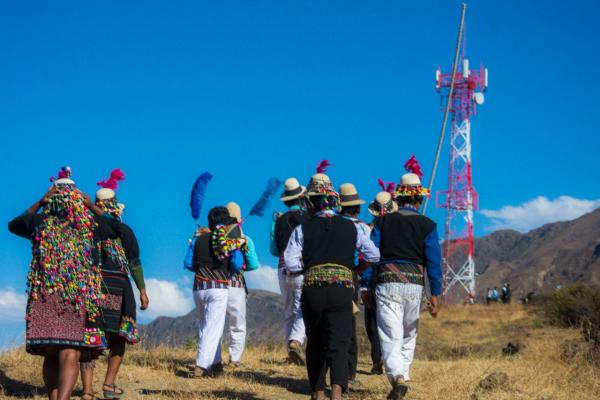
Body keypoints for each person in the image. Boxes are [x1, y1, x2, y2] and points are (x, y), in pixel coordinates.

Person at [8, 167, 121, 400]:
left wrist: (40, 201)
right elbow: (116, 227)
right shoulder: (89, 225)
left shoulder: (40, 222)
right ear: (76, 199)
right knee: (69, 350)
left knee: (51, 351)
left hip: (45, 293)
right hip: (75, 296)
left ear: (53, 199)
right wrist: (90, 205)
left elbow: (16, 224)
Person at [285, 171, 380, 400]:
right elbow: (374, 255)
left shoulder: (301, 229)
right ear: (333, 201)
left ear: (310, 202)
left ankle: (318, 393)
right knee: (339, 341)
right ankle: (336, 392)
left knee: (315, 340)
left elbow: (290, 261)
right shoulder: (352, 228)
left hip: (313, 291)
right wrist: (354, 271)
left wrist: (308, 269)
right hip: (342, 291)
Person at [368, 159, 442, 400]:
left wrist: (367, 283)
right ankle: (404, 374)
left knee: (390, 332)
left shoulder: (382, 221)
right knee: (410, 331)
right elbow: (433, 261)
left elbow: (373, 255)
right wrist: (435, 293)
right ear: (419, 200)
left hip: (387, 282)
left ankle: (397, 376)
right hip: (415, 286)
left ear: (398, 198)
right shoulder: (428, 225)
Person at [79, 169, 149, 400]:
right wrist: (142, 291)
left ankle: (88, 391)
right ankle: (108, 385)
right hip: (118, 285)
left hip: (93, 285)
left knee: (90, 337)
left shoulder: (85, 227)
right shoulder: (122, 229)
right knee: (117, 338)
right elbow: (134, 262)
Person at [270, 177, 309, 365]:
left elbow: (274, 250)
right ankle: (296, 343)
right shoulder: (308, 219)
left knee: (288, 311)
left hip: (282, 266)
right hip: (302, 267)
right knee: (302, 308)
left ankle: (290, 351)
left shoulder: (278, 220)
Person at [360, 190, 399, 375]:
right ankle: (394, 362)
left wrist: (365, 285)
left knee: (373, 320)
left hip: (379, 276)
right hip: (400, 277)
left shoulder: (373, 230)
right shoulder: (401, 227)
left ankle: (378, 360)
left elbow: (371, 257)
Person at [338, 183, 370, 388]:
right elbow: (371, 256)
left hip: (325, 278)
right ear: (357, 208)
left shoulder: (330, 224)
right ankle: (349, 374)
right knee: (348, 325)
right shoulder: (362, 227)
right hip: (350, 276)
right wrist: (358, 271)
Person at [223, 201, 260, 367]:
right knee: (237, 324)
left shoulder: (215, 235)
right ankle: (234, 359)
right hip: (236, 286)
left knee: (214, 323)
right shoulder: (245, 239)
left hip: (216, 283)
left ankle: (212, 358)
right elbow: (253, 264)